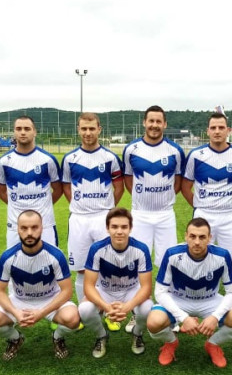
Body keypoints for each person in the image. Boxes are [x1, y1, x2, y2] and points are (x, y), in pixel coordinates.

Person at [146, 218, 232, 368]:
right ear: (186, 236)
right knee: (153, 323)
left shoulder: (222, 256)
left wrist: (215, 317)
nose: (197, 242)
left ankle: (213, 344)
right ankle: (171, 342)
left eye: (202, 237)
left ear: (210, 238)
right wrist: (183, 318)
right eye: (192, 236)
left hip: (210, 300)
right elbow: (160, 292)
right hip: (178, 299)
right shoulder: (172, 254)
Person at [0, 210, 80, 361]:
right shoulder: (8, 257)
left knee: (72, 319)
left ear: (42, 228)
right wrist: (16, 312)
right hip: (19, 300)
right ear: (17, 229)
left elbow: (66, 291)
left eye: (34, 227)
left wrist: (41, 313)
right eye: (24, 228)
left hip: (50, 299)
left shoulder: (56, 255)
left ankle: (58, 336)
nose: (29, 233)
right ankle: (15, 338)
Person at [60, 112, 124, 330]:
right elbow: (66, 186)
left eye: (92, 128)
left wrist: (106, 209)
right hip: (79, 219)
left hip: (102, 218)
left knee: (108, 268)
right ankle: (84, 312)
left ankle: (109, 313)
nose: (88, 133)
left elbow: (118, 187)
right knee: (81, 268)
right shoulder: (70, 159)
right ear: (78, 130)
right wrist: (79, 205)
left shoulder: (110, 158)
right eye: (84, 128)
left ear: (99, 129)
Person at [181, 112, 232, 271]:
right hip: (203, 214)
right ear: (207, 131)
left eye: (221, 127)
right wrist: (199, 205)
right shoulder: (196, 155)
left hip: (230, 216)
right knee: (199, 260)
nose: (217, 131)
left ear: (227, 130)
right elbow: (185, 186)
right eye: (213, 128)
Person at [78, 208, 153, 358]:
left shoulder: (141, 249)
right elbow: (88, 286)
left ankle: (137, 333)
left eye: (124, 227)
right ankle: (101, 335)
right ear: (107, 228)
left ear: (130, 228)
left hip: (131, 290)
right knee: (84, 310)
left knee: (148, 308)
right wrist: (106, 307)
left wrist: (127, 307)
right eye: (114, 227)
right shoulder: (97, 249)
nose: (119, 231)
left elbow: (146, 287)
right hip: (105, 290)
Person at [123, 105, 185, 269]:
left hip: (165, 214)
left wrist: (166, 196)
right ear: (144, 122)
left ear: (165, 124)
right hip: (140, 213)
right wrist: (140, 195)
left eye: (158, 121)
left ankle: (164, 288)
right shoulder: (131, 149)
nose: (154, 125)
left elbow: (178, 180)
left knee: (168, 263)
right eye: (151, 121)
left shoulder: (175, 150)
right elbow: (128, 178)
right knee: (136, 262)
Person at [0, 116, 63, 248]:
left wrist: (44, 205)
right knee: (15, 259)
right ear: (14, 132)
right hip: (15, 224)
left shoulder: (48, 160)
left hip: (45, 223)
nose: (22, 132)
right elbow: (1, 191)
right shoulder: (4, 161)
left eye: (27, 129)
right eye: (18, 129)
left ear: (34, 132)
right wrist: (16, 204)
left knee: (48, 259)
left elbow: (58, 189)